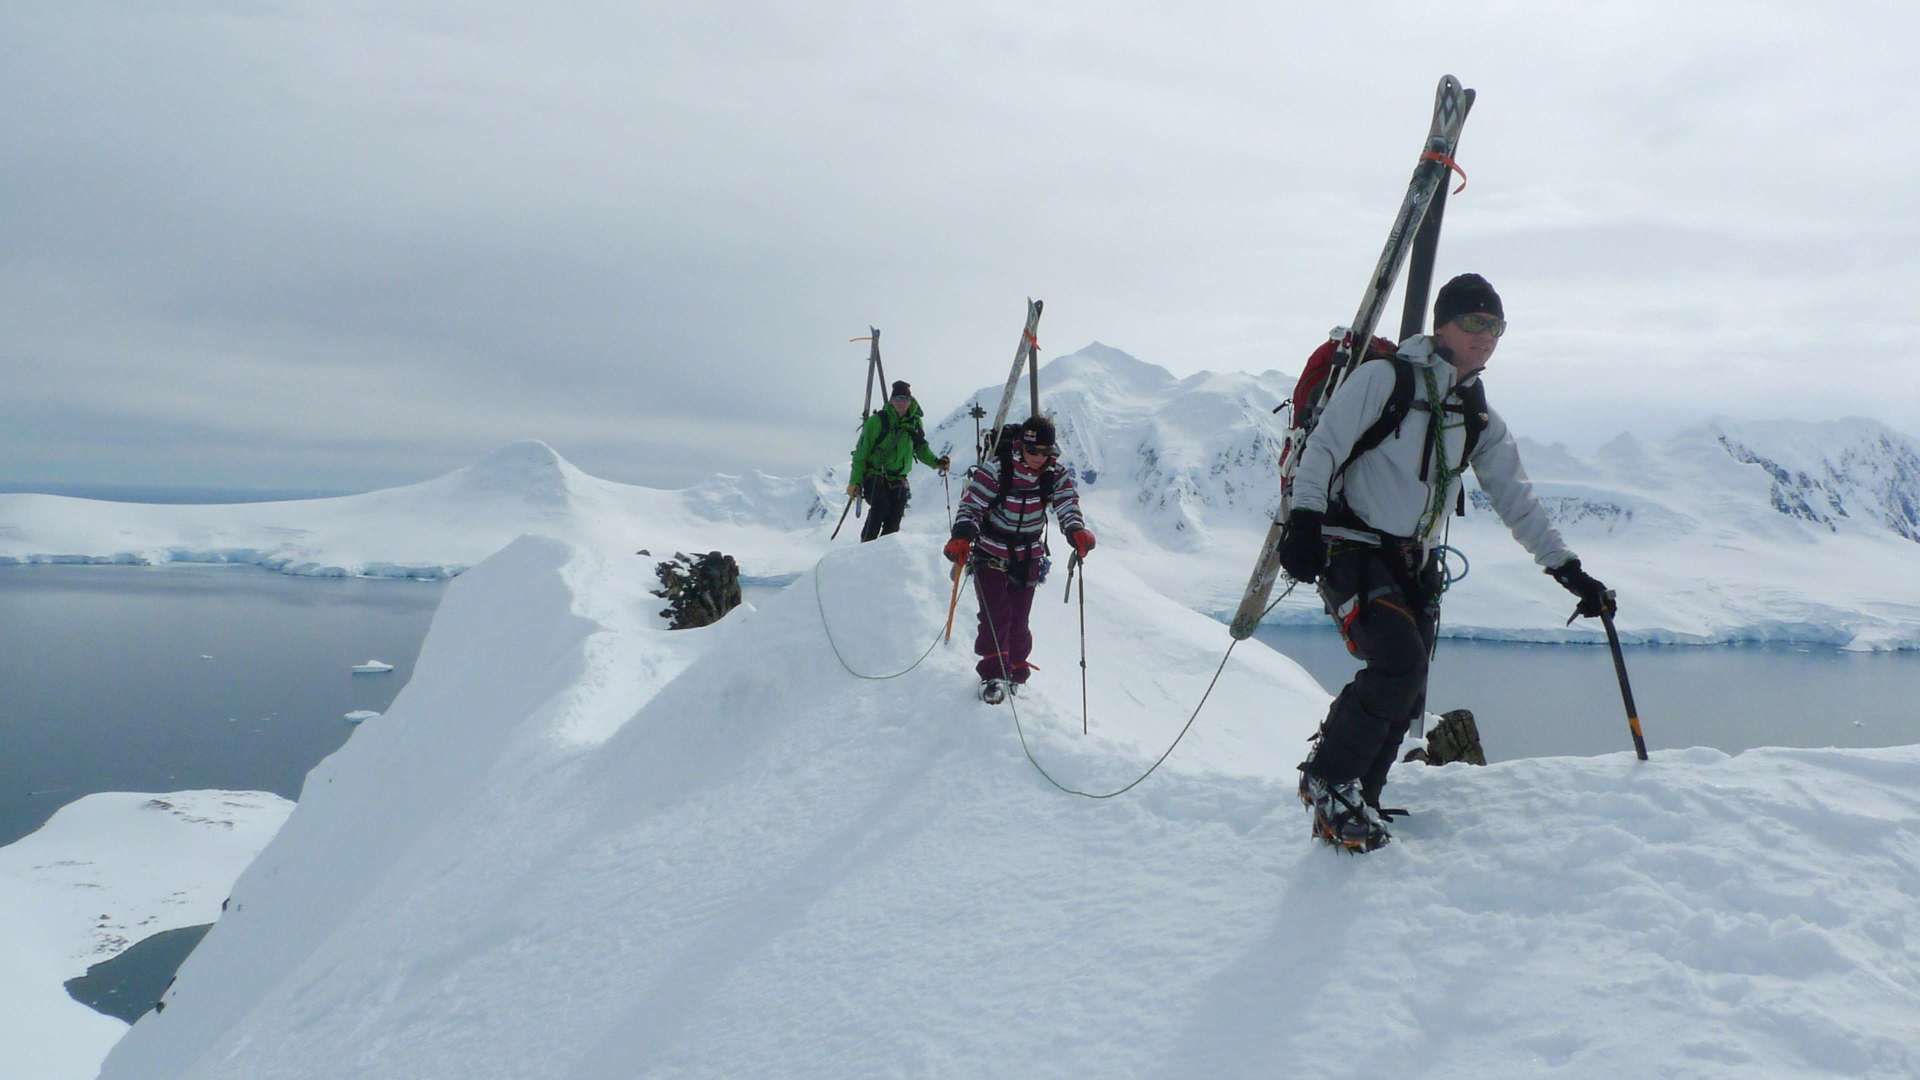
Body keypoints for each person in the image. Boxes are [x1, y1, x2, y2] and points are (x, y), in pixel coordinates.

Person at [1279, 273, 1612, 852]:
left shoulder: (1476, 414)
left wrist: (1569, 570)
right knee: (1399, 663)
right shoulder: (1383, 381)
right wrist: (1304, 521)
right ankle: (1329, 779)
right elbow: (1325, 447)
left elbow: (1517, 501)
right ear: (1444, 325)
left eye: (1496, 326)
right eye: (1475, 323)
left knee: (1409, 686)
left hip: (1412, 561)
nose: (1486, 336)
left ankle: (1363, 793)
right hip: (1350, 545)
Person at [944, 416, 1095, 704]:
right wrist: (962, 535)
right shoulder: (998, 470)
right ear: (1021, 446)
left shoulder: (1053, 473)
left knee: (1019, 619)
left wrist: (1075, 530)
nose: (1039, 458)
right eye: (1033, 451)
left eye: (1045, 452)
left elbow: (1066, 503)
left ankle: (1015, 673)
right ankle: (992, 676)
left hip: (1028, 556)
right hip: (990, 551)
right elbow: (972, 503)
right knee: (995, 615)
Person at [846, 380, 951, 542]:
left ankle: (884, 555)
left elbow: (921, 448)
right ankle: (864, 551)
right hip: (875, 474)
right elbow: (861, 454)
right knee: (879, 509)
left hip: (899, 478)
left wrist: (936, 462)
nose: (901, 403)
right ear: (891, 401)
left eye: (905, 399)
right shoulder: (877, 421)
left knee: (894, 521)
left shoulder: (915, 423)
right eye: (898, 399)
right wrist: (855, 482)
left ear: (910, 401)